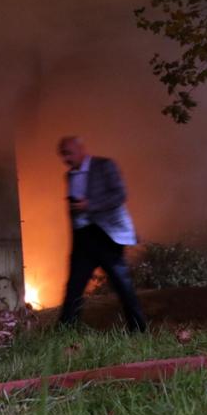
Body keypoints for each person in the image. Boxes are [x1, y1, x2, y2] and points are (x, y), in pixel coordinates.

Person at [57, 136, 147, 332]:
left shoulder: (104, 166)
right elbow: (73, 212)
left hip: (106, 235)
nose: (66, 158)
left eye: (68, 153)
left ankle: (139, 328)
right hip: (83, 238)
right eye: (63, 154)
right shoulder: (70, 176)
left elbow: (119, 195)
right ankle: (65, 331)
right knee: (74, 286)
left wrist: (90, 205)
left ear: (81, 150)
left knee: (122, 284)